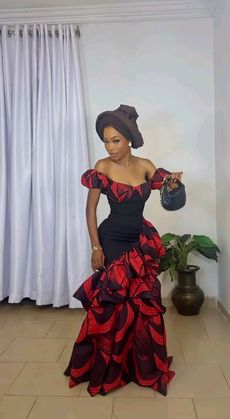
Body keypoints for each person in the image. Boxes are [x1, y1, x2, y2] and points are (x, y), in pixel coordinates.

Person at [64, 104, 183, 397]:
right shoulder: (102, 167)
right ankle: (107, 368)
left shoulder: (145, 166)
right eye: (105, 140)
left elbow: (170, 196)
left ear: (128, 138)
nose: (109, 146)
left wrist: (173, 184)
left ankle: (141, 367)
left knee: (143, 303)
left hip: (138, 239)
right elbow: (90, 210)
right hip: (112, 239)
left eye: (115, 140)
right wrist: (96, 247)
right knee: (112, 306)